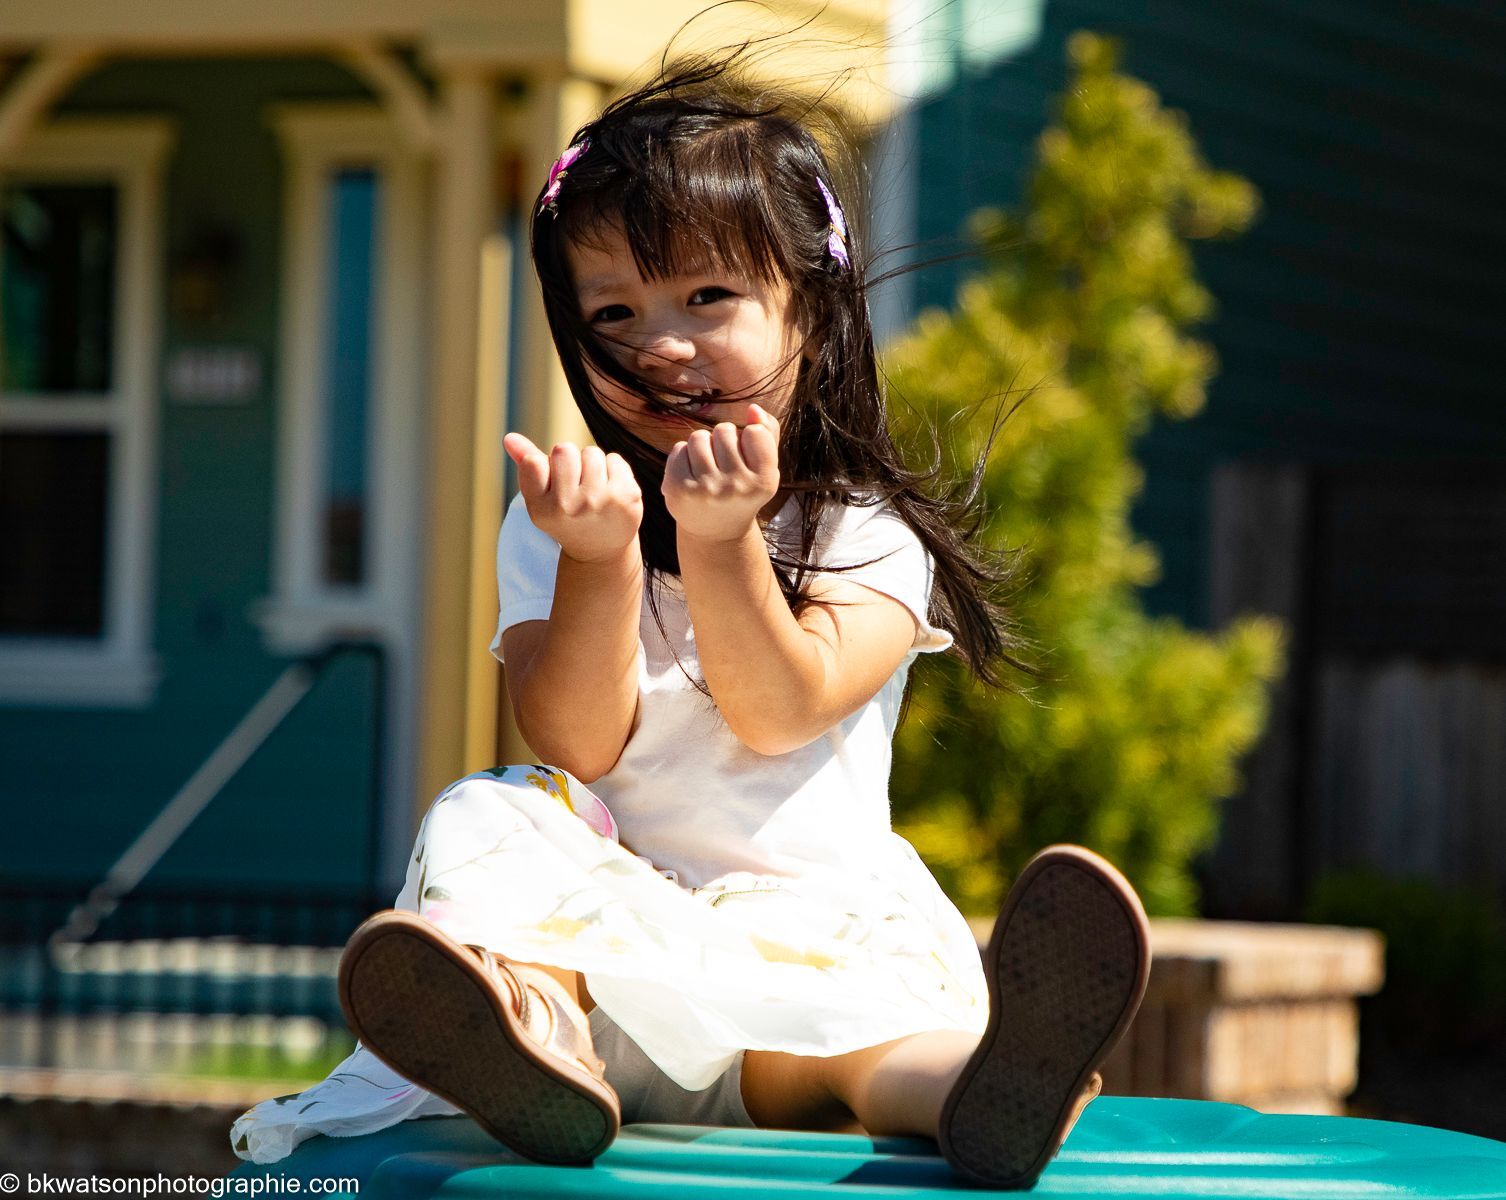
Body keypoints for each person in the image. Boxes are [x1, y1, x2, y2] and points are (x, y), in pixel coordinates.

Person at [230, 53, 1150, 1189]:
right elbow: (574, 740)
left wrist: (719, 541)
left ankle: (989, 1089)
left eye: (706, 298)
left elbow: (780, 710)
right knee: (495, 809)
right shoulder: (565, 522)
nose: (661, 341)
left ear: (808, 306)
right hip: (603, 977)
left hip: (802, 976)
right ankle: (528, 1042)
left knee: (869, 1051)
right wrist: (601, 560)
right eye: (614, 312)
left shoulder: (861, 529)